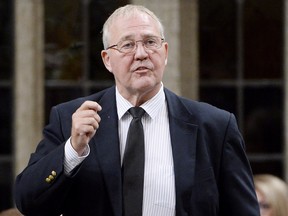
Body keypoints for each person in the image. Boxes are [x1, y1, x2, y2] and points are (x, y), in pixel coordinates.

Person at [14, 4, 260, 216]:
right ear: (107, 59)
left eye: (150, 42)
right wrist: (72, 150)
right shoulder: (71, 119)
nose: (141, 54)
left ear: (164, 53)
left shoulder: (214, 126)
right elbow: (28, 202)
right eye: (128, 45)